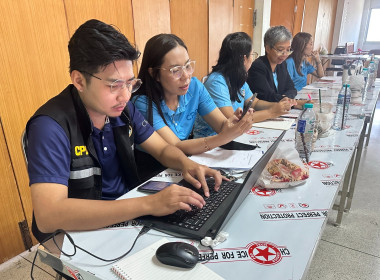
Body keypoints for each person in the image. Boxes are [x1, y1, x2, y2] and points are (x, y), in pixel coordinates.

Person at [25, 19, 223, 244]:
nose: (125, 95)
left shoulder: (123, 109)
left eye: (130, 83)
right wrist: (148, 205)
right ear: (79, 80)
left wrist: (189, 164)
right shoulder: (50, 127)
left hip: (127, 209)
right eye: (114, 85)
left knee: (202, 233)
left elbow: (163, 149)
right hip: (75, 230)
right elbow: (48, 217)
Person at [132, 34, 255, 180]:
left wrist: (232, 124)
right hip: (155, 171)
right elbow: (176, 146)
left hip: (187, 161)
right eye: (175, 70)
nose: (186, 76)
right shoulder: (142, 103)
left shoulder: (195, 87)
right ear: (155, 74)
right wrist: (224, 137)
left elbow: (221, 124)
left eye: (188, 66)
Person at [193, 32, 295, 138]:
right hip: (211, 140)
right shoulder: (216, 82)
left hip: (233, 136)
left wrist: (278, 106)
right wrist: (271, 112)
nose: (253, 59)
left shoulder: (237, 77)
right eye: (252, 55)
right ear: (244, 59)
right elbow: (233, 120)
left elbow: (255, 103)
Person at [247, 25, 308, 109]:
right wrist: (292, 102)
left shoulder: (282, 64)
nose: (285, 54)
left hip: (279, 110)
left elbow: (291, 88)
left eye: (288, 50)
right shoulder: (258, 66)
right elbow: (267, 96)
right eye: (280, 50)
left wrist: (287, 99)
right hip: (261, 112)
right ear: (268, 48)